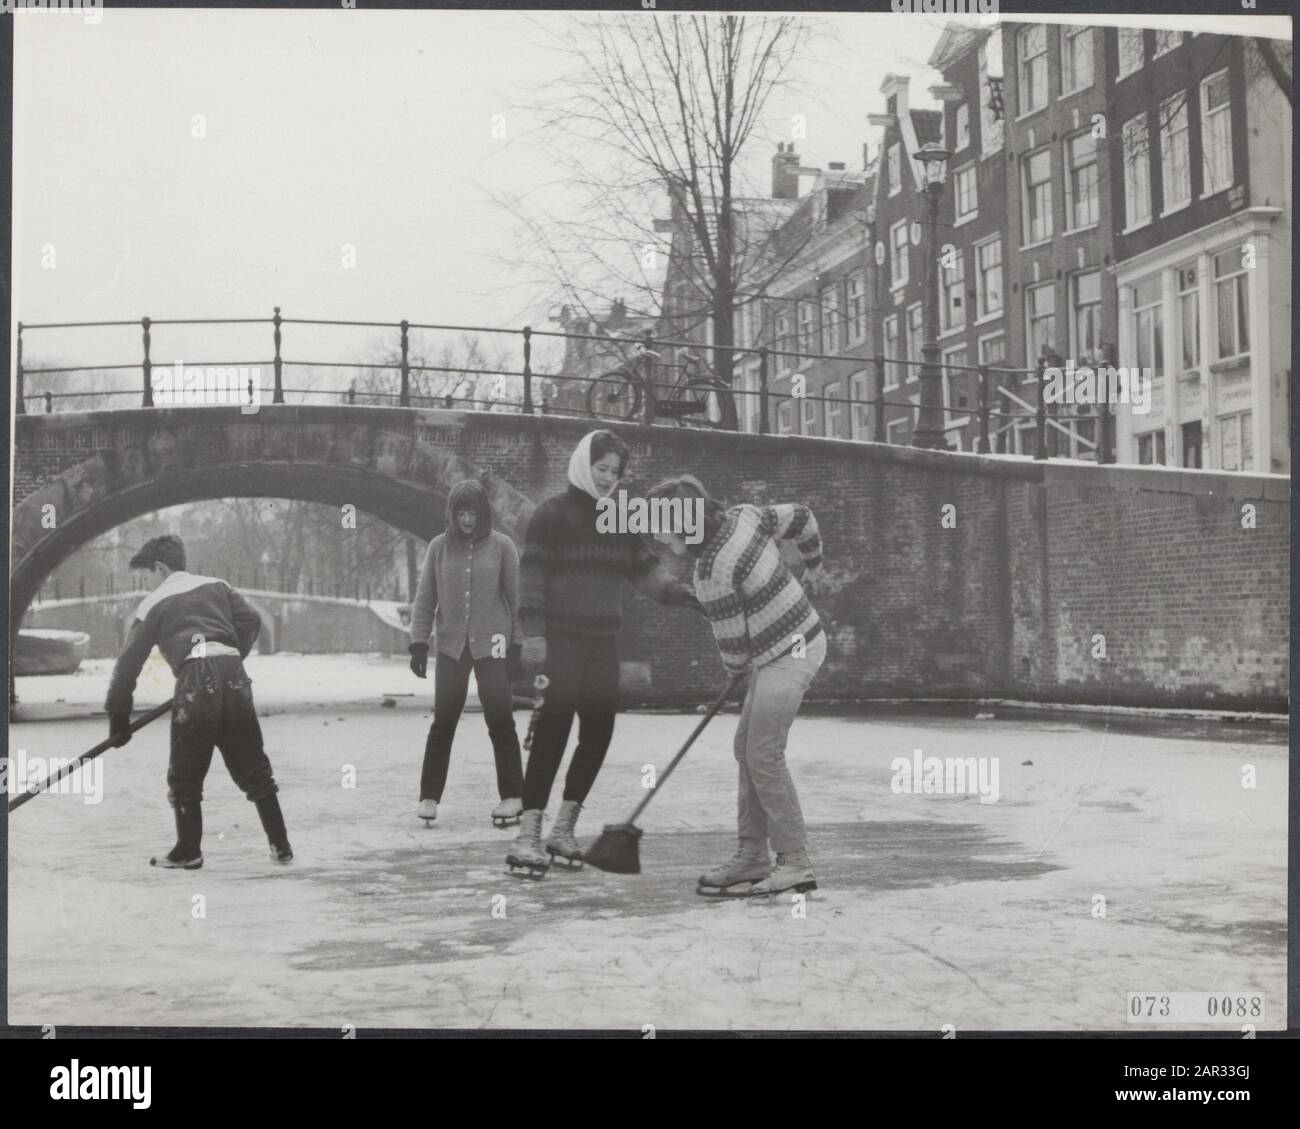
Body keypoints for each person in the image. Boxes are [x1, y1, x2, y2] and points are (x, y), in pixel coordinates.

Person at [509, 430, 702, 874]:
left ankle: (562, 830)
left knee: (598, 732)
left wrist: (680, 593)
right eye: (601, 469)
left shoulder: (620, 518)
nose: (607, 479)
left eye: (614, 472)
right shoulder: (551, 516)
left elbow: (646, 570)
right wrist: (533, 633)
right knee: (554, 729)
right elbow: (532, 576)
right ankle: (527, 835)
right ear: (583, 464)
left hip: (601, 643)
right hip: (561, 640)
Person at [645, 475, 825, 897]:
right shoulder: (744, 517)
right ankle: (751, 856)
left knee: (762, 752)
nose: (656, 535)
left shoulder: (711, 571)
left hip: (790, 653)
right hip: (789, 644)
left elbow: (734, 649)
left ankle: (794, 861)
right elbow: (802, 517)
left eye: (661, 526)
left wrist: (736, 667)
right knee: (746, 748)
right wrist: (813, 563)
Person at [105, 535, 292, 869]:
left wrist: (118, 720)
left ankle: (188, 851)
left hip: (196, 676)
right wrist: (229, 653)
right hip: (234, 673)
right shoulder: (218, 585)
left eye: (146, 576)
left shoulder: (154, 602)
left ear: (160, 568)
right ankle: (281, 845)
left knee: (186, 772)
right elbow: (252, 620)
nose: (147, 584)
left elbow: (127, 665)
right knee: (253, 767)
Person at [408, 478, 525, 828]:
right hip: (451, 646)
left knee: (500, 719)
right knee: (443, 720)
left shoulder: (502, 547)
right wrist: (417, 641)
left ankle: (513, 795)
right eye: (461, 514)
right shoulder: (438, 548)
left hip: (495, 645)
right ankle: (429, 796)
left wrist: (517, 644)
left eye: (473, 513)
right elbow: (425, 598)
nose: (467, 521)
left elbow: (516, 599)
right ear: (452, 514)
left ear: (483, 513)